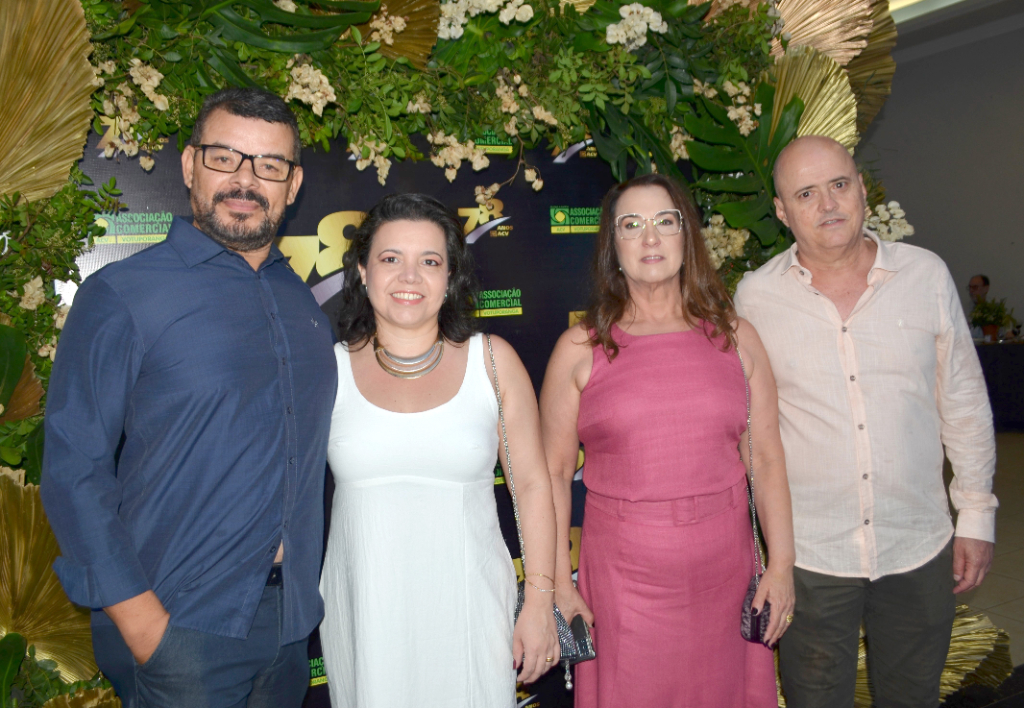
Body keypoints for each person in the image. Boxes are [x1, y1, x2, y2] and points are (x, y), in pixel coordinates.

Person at [41, 88, 337, 708]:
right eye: (225, 157)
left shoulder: (302, 305)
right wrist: (146, 625)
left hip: (290, 625)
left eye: (269, 165)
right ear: (189, 165)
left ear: (293, 183)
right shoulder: (123, 295)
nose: (245, 180)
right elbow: (74, 470)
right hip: (181, 629)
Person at [734, 136, 998, 708]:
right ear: (782, 211)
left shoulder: (925, 275)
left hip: (917, 543)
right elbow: (750, 430)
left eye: (839, 184)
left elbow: (964, 400)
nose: (828, 204)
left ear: (861, 188)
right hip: (811, 555)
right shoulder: (755, 298)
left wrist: (976, 512)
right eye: (806, 193)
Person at [540, 173, 795, 708]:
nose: (649, 238)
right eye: (631, 226)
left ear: (687, 237)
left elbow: (767, 459)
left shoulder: (737, 337)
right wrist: (559, 584)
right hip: (624, 584)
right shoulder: (578, 349)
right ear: (613, 246)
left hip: (726, 574)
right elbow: (554, 477)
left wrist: (782, 565)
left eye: (664, 222)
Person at [318, 193, 560, 708]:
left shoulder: (492, 363)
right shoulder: (328, 371)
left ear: (450, 278)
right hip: (366, 618)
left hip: (471, 614)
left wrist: (539, 601)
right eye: (390, 259)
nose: (410, 277)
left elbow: (534, 486)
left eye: (429, 262)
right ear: (362, 271)